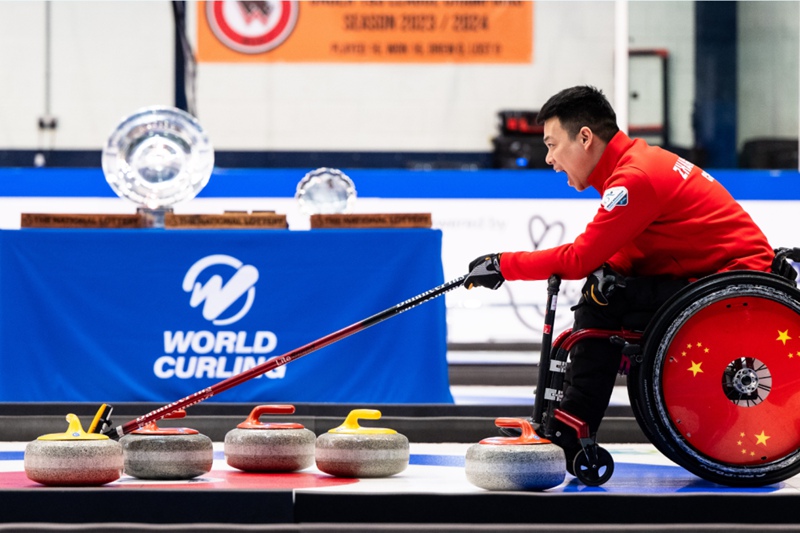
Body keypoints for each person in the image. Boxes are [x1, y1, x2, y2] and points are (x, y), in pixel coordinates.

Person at [463, 85, 777, 474]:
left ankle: (569, 431)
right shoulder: (634, 165)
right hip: (714, 277)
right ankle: (570, 427)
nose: (549, 160)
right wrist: (610, 268)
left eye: (552, 145)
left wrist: (503, 264)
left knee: (603, 301)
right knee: (603, 290)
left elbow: (578, 258)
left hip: (736, 287)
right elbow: (633, 245)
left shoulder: (634, 178)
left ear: (584, 138)